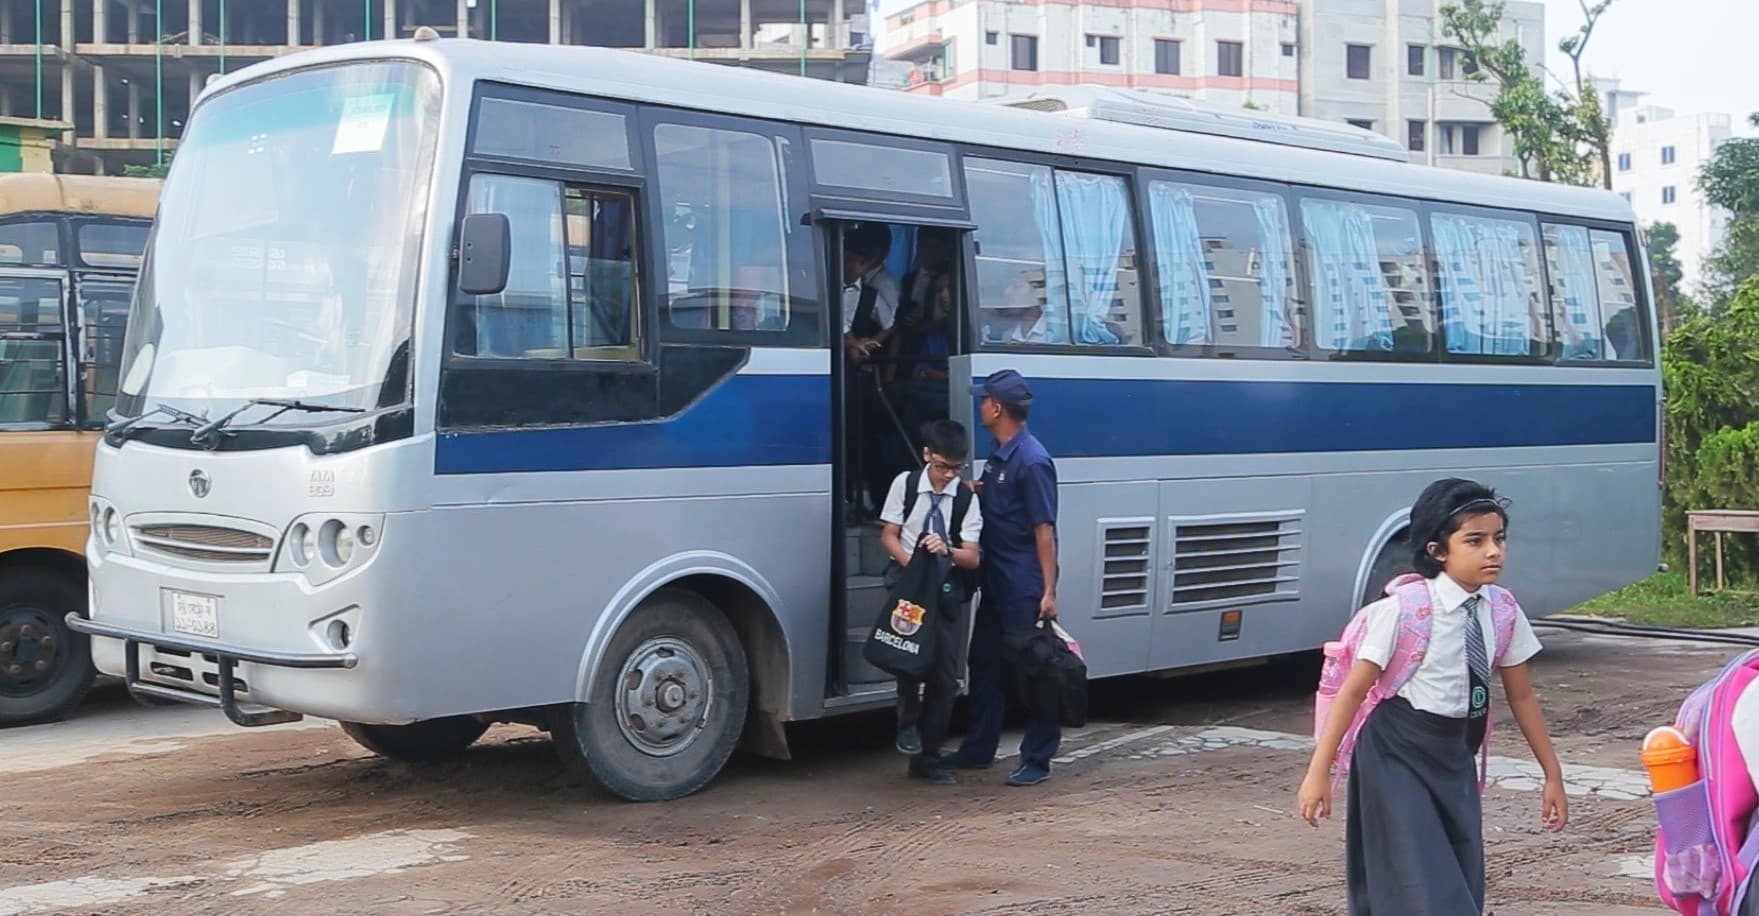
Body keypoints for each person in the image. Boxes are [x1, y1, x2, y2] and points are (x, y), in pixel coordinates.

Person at [1297, 479, 1569, 915]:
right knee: (1420, 879)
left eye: (1499, 539)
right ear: (1437, 551)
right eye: (1475, 541)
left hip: (1456, 752)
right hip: (1395, 753)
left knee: (1459, 867)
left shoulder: (1501, 611)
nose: (1494, 551)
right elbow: (1352, 692)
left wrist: (1551, 775)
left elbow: (1521, 697)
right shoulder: (1401, 611)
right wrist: (1319, 773)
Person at [946, 369, 1062, 787]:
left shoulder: (1032, 461)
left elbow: (1043, 529)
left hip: (1023, 584)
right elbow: (999, 500)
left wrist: (1048, 591)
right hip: (996, 579)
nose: (979, 405)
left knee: (1034, 672)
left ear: (997, 408)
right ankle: (979, 749)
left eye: (983, 400)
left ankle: (1038, 758)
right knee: (985, 664)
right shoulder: (1000, 455)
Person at [878, 419, 983, 786]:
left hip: (946, 589)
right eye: (941, 467)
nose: (947, 476)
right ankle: (907, 728)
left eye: (955, 469)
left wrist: (947, 551)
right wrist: (914, 568)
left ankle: (930, 755)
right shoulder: (905, 485)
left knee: (944, 675)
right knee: (908, 661)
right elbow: (889, 536)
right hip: (908, 586)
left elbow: (973, 557)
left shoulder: (965, 498)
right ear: (927, 456)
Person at [840, 222, 902, 516]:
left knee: (858, 430)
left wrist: (870, 346)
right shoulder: (825, 289)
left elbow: (891, 325)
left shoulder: (872, 295)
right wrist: (852, 344)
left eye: (859, 262)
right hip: (834, 368)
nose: (852, 265)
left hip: (855, 375)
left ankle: (861, 493)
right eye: (849, 258)